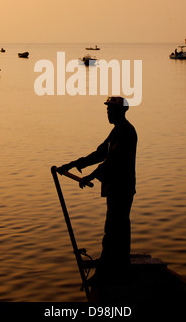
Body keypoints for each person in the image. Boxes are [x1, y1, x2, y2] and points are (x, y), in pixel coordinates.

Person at [57, 96, 137, 285]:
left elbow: (112, 161)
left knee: (115, 229)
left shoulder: (126, 131)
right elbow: (100, 153)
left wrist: (90, 177)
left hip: (122, 187)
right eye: (107, 109)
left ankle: (108, 272)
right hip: (115, 187)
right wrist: (73, 164)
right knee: (117, 228)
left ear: (121, 112)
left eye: (111, 110)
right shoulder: (116, 131)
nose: (108, 113)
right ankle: (117, 268)